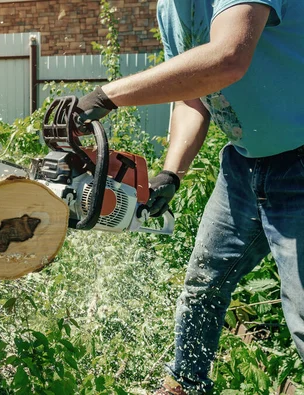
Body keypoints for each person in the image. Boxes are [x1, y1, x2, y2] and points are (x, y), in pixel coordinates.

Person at [75, 1, 304, 393]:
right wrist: (171, 172)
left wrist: (106, 96)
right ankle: (185, 384)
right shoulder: (170, 9)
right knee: (203, 286)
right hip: (242, 166)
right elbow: (192, 98)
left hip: (299, 163)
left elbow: (228, 58)